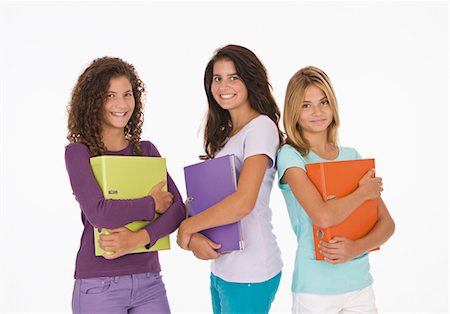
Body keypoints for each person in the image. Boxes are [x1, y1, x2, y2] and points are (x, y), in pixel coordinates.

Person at [65, 56, 185, 313]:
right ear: (93, 101)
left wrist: (139, 238)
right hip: (98, 284)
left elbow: (178, 210)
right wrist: (152, 204)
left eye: (127, 94)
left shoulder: (147, 151)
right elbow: (99, 213)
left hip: (150, 281)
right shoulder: (79, 153)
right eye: (110, 95)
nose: (121, 104)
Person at [277, 66, 395, 314]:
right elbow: (322, 216)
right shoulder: (291, 157)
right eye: (306, 105)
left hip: (360, 286)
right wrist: (363, 192)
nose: (317, 111)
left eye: (323, 102)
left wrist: (356, 248)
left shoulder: (352, 157)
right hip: (315, 291)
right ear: (293, 110)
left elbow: (387, 224)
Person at [177, 45, 283, 314]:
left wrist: (188, 228)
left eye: (234, 77)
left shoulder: (261, 127)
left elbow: (243, 202)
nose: (224, 85)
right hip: (224, 269)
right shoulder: (226, 137)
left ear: (250, 80)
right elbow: (214, 203)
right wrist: (194, 235)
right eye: (217, 78)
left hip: (250, 271)